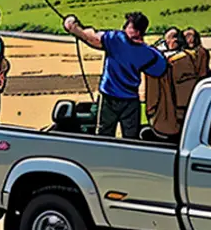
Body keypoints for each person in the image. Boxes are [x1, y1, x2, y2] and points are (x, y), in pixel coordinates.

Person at [64, 11, 167, 139]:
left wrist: (73, 27)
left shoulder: (116, 39)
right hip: (130, 99)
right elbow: (159, 69)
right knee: (131, 139)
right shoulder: (147, 52)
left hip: (110, 98)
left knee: (104, 136)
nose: (124, 28)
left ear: (136, 30)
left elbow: (91, 37)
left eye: (128, 26)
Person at [144, 28, 199, 141]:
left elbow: (153, 92)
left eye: (167, 40)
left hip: (167, 116)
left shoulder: (169, 62)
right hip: (185, 115)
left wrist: (151, 110)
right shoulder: (190, 57)